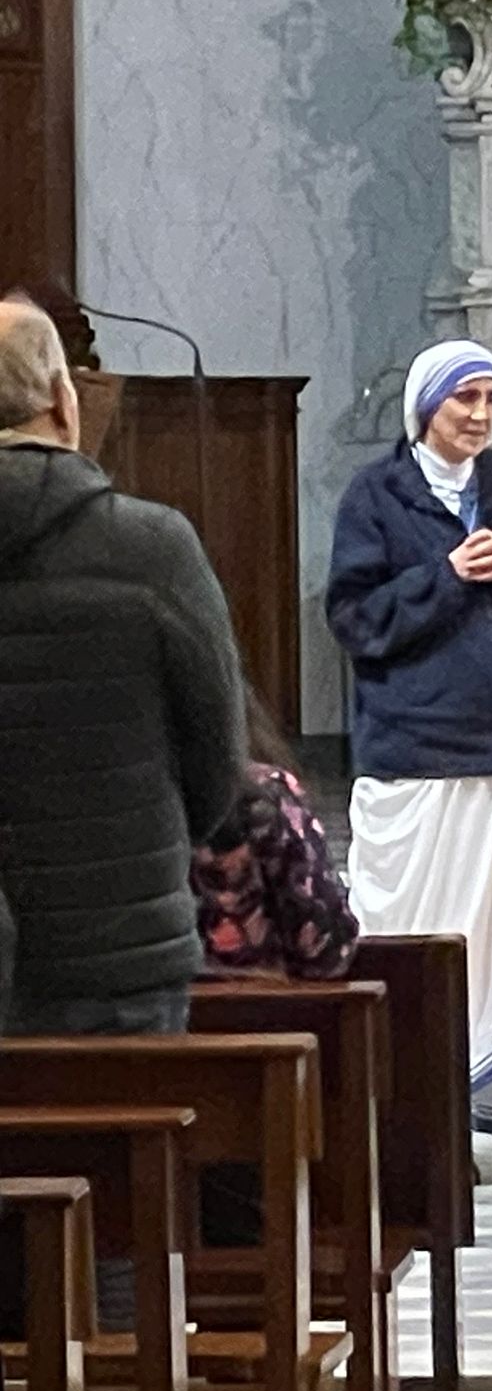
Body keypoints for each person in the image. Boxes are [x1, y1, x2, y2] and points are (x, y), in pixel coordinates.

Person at [326, 338, 492, 1184]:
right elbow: (357, 620)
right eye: (463, 401)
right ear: (425, 410)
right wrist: (448, 573)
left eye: (491, 399)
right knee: (425, 943)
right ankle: (423, 1131)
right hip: (423, 756)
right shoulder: (377, 496)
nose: (479, 416)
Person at [0, 294, 246, 1035]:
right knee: (120, 1150)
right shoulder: (150, 548)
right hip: (121, 956)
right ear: (63, 403)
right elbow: (217, 760)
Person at [191, 686, 359, 981]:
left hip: (142, 1016)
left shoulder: (118, 801)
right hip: (264, 1016)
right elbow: (325, 945)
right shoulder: (263, 793)